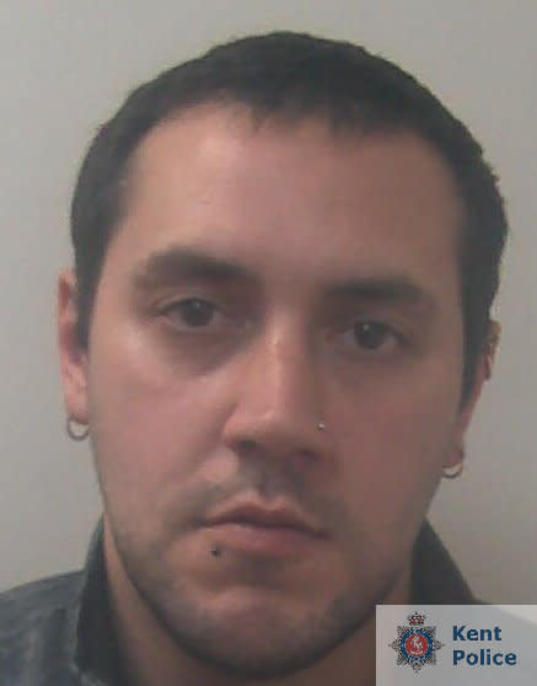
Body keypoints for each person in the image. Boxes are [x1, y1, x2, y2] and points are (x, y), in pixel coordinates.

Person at [0, 31, 506, 686]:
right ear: (77, 348)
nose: (277, 418)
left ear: (467, 394)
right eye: (194, 313)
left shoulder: (506, 662)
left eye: (369, 334)